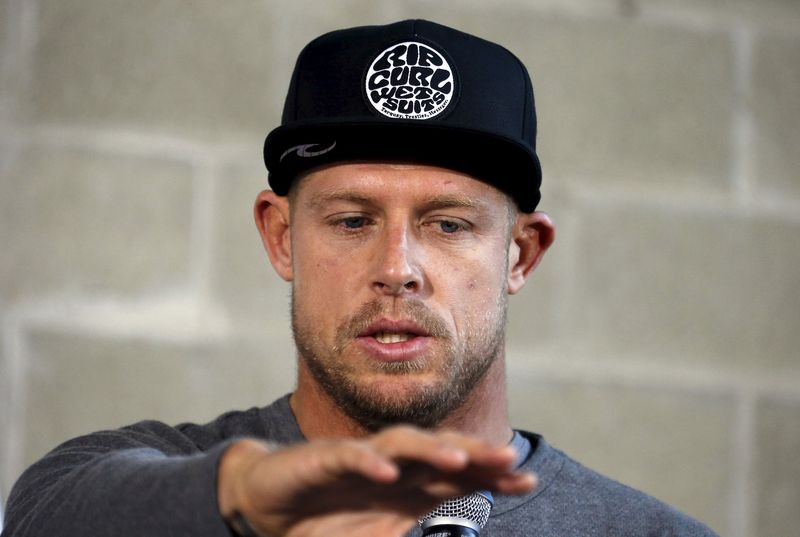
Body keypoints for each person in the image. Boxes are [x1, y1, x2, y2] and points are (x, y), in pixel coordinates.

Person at [2, 19, 718, 537]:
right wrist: (247, 493)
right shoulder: (166, 483)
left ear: (520, 255)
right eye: (352, 220)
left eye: (448, 224)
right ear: (282, 236)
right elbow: (44, 512)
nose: (396, 270)